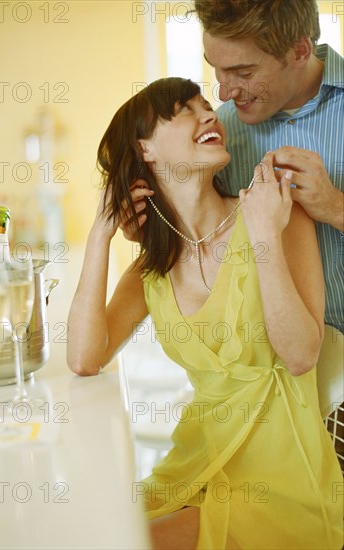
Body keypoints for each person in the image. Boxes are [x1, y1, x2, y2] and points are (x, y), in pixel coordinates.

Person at [67, 77, 343, 549]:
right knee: (95, 532)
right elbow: (84, 358)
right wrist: (100, 234)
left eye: (204, 104)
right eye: (185, 109)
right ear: (144, 149)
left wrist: (262, 239)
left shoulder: (274, 215)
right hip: (195, 466)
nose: (209, 113)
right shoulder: (151, 268)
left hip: (280, 481)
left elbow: (300, 354)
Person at [123, 0, 344, 335]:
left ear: (299, 52)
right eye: (216, 67)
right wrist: (153, 226)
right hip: (273, 370)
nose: (224, 92)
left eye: (244, 73)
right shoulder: (217, 138)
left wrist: (336, 208)